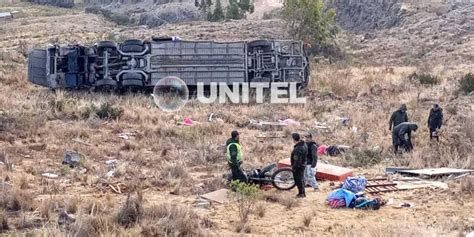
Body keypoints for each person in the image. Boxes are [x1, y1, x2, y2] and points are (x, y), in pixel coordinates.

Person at [290, 133, 308, 198]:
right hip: (303, 164)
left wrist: (294, 167)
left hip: (299, 167)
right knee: (301, 179)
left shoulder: (298, 148)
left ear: (294, 139)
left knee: (298, 180)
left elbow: (297, 160)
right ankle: (302, 192)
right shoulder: (304, 144)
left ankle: (301, 193)